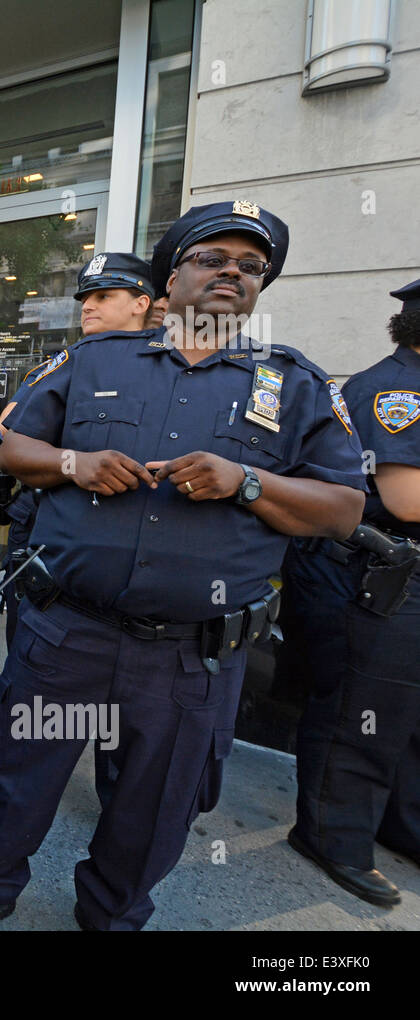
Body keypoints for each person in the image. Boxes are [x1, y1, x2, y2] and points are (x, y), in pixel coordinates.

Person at [0, 201, 367, 931]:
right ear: (171, 279)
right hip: (69, 635)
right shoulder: (95, 359)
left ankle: (112, 911)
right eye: (210, 258)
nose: (230, 272)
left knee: (155, 806)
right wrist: (75, 462)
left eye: (249, 266)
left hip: (191, 659)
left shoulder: (292, 384)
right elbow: (5, 448)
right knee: (19, 776)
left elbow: (342, 509)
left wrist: (246, 480)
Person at [0, 252, 157, 794]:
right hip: (47, 543)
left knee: (130, 716)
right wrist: (72, 464)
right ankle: (3, 760)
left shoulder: (182, 371)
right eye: (86, 298)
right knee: (31, 668)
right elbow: (8, 438)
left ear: (143, 304)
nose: (89, 308)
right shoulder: (68, 363)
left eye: (104, 297)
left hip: (140, 571)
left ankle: (118, 784)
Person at [280, 277, 420, 907]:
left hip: (394, 576)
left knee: (402, 717)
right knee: (358, 713)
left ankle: (400, 825)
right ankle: (332, 839)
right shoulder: (398, 391)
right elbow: (406, 498)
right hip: (375, 576)